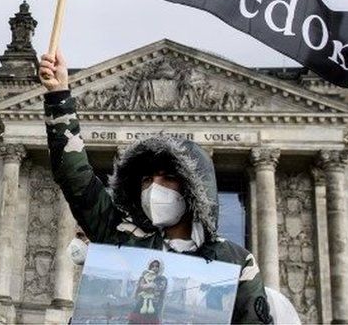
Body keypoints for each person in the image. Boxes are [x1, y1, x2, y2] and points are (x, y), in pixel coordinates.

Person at [38, 51, 273, 324]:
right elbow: (74, 176)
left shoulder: (235, 260)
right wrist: (59, 96)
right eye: (147, 180)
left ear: (192, 188)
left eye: (166, 178)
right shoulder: (120, 235)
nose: (154, 188)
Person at [129, 259, 167, 324]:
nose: (154, 268)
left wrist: (145, 286)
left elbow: (156, 287)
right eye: (152, 266)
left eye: (157, 266)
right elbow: (139, 286)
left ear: (160, 268)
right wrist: (144, 285)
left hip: (154, 306)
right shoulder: (144, 275)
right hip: (141, 304)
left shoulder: (162, 278)